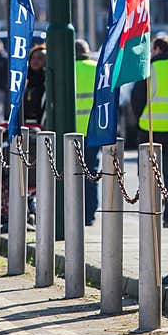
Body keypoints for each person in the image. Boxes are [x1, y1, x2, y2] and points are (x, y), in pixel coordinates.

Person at [131, 33, 168, 228]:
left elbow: (137, 99)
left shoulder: (149, 69)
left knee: (149, 173)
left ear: (157, 49)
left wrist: (140, 119)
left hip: (150, 129)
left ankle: (151, 213)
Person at [74, 38, 100, 227]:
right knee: (91, 173)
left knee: (72, 174)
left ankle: (74, 212)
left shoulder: (67, 69)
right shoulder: (97, 68)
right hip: (93, 131)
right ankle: (90, 214)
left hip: (71, 132)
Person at [23, 43, 47, 125]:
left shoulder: (47, 82)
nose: (35, 61)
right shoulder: (26, 80)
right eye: (32, 58)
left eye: (40, 58)